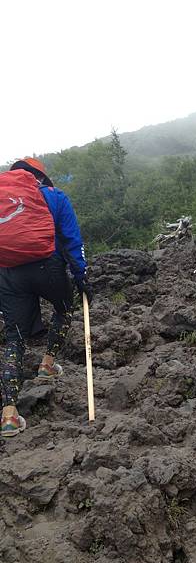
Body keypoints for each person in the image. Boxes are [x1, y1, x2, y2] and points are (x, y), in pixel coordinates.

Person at [0, 158, 93, 437]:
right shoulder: (54, 196)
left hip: (9, 273)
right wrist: (81, 276)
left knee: (15, 339)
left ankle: (8, 417)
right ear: (39, 177)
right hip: (48, 267)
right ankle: (47, 365)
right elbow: (72, 240)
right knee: (64, 309)